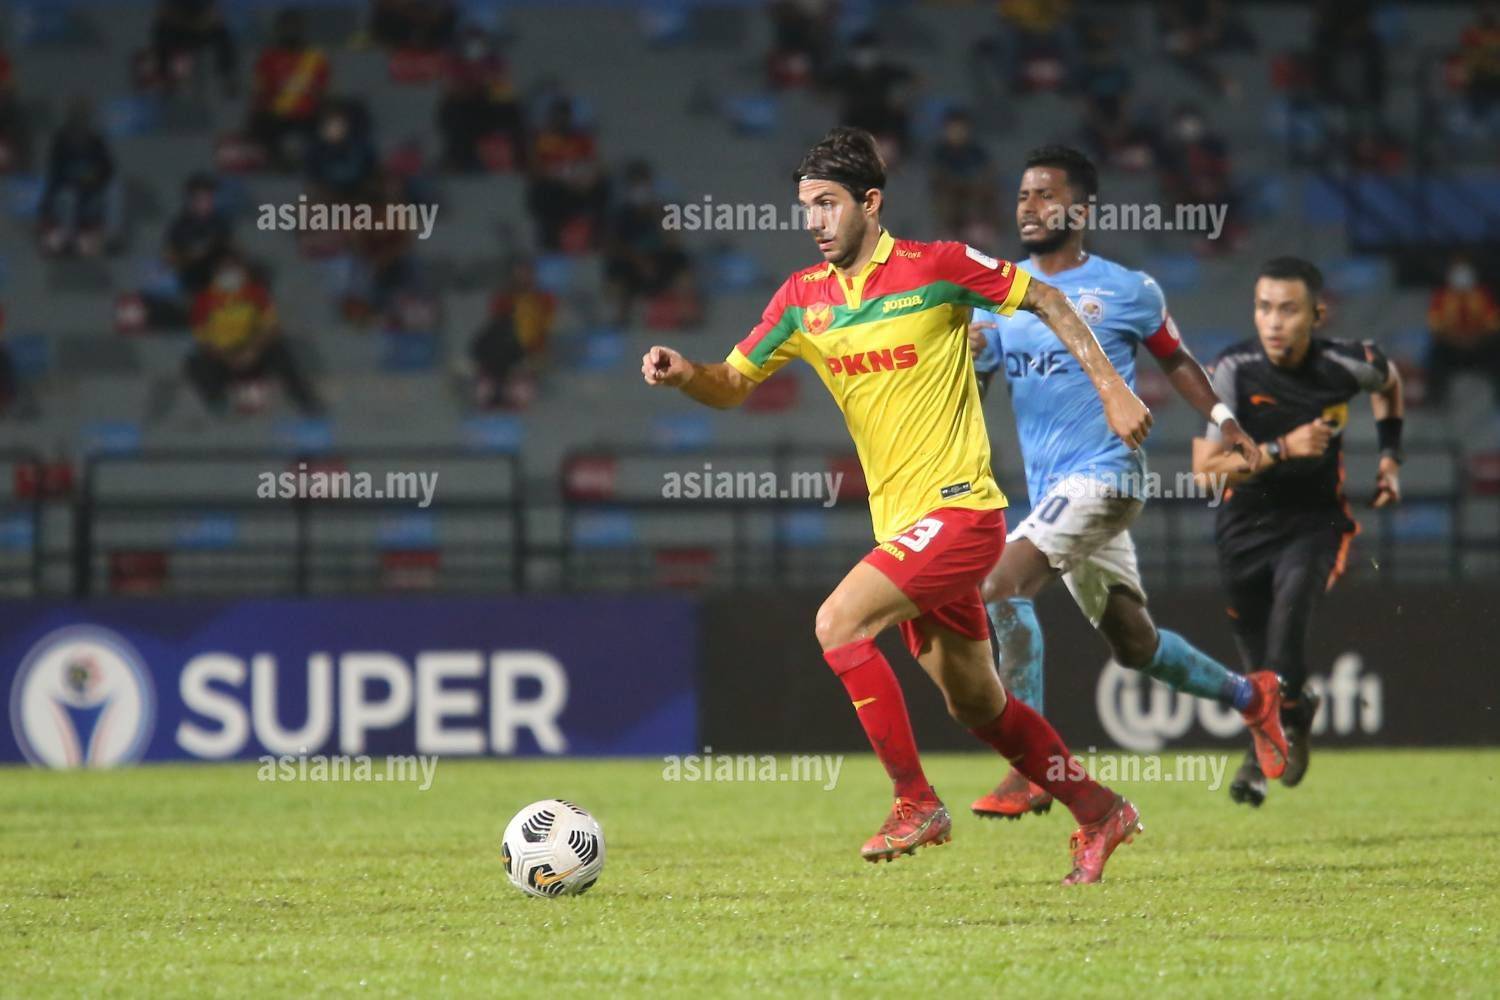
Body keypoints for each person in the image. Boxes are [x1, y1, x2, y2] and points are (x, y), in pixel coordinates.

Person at [642, 127, 1153, 884]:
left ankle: (915, 801)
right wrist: (687, 372)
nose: (814, 221)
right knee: (977, 705)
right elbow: (733, 382)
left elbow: (1045, 297)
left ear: (871, 203)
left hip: (962, 513)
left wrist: (1111, 388)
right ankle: (1100, 810)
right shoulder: (802, 300)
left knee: (838, 624)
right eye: (806, 207)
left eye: (828, 204)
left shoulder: (937, 267)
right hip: (904, 529)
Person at [967, 145, 1288, 820]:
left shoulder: (1128, 289)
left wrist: (1225, 421)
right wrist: (965, 361)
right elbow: (977, 385)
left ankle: (1031, 769)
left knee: (999, 584)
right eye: (1022, 195)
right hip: (1055, 494)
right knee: (1135, 644)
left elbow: (1178, 361)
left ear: (1081, 210)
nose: (1029, 207)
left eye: (1046, 194)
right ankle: (1252, 696)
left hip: (1107, 475)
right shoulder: (1002, 296)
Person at [1192, 256, 1404, 806]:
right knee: (1257, 669)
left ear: (1317, 315)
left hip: (1315, 525)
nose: (1274, 322)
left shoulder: (1346, 364)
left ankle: (1255, 764)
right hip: (1242, 529)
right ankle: (1297, 716)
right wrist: (1282, 449)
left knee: (1284, 640)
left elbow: (1389, 382)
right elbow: (1205, 471)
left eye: (1288, 310)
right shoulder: (1232, 371)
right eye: (1264, 308)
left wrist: (1390, 457)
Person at [185, 254, 322, 415]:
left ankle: (305, 400)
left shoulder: (256, 293)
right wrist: (228, 357)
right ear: (215, 273)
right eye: (224, 270)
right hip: (224, 357)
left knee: (281, 350)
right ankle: (219, 403)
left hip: (254, 351)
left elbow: (271, 328)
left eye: (234, 269)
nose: (230, 274)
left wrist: (252, 351)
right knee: (195, 363)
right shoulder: (203, 300)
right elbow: (203, 340)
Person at [248, 8, 331, 168]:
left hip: (308, 115)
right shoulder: (268, 58)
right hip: (276, 115)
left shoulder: (315, 59)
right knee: (258, 122)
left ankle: (315, 163)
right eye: (287, 27)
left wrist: (322, 109)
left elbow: (323, 92)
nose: (291, 31)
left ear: (302, 30)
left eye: (295, 27)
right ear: (279, 30)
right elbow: (259, 91)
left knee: (330, 124)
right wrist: (259, 109)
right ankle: (275, 161)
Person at [1425, 253, 1500, 408]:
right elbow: (1436, 327)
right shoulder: (1441, 296)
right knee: (1434, 357)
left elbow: (1493, 325)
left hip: (1480, 347)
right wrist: (1457, 340)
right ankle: (1436, 402)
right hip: (1452, 349)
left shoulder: (1484, 294)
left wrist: (1475, 339)